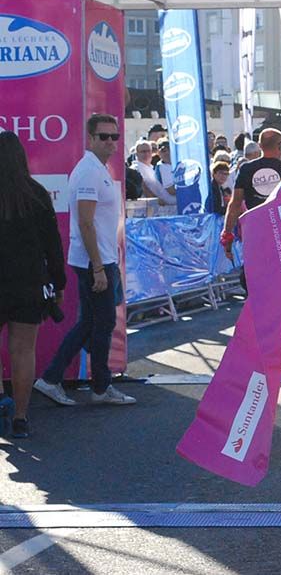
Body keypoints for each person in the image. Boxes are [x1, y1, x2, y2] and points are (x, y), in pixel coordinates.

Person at [34, 114, 136, 407]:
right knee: (100, 325)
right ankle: (97, 386)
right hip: (94, 262)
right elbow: (85, 223)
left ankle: (54, 378)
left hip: (99, 258)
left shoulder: (98, 169)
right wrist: (100, 267)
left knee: (91, 324)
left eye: (114, 137)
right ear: (90, 139)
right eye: (103, 136)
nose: (109, 142)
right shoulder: (89, 171)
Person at [0, 133, 67, 437]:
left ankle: (1, 400)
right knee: (23, 351)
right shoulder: (37, 193)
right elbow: (52, 246)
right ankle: (21, 418)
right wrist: (59, 282)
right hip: (28, 284)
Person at [222, 129, 281, 298]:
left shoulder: (247, 169)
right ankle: (278, 313)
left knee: (255, 279)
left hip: (255, 230)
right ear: (280, 145)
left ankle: (261, 309)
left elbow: (234, 204)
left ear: (261, 146)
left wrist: (227, 235)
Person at [153, 138, 177, 205]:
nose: (167, 152)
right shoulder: (161, 167)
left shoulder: (180, 164)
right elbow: (170, 190)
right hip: (168, 205)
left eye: (169, 149)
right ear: (158, 152)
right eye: (163, 150)